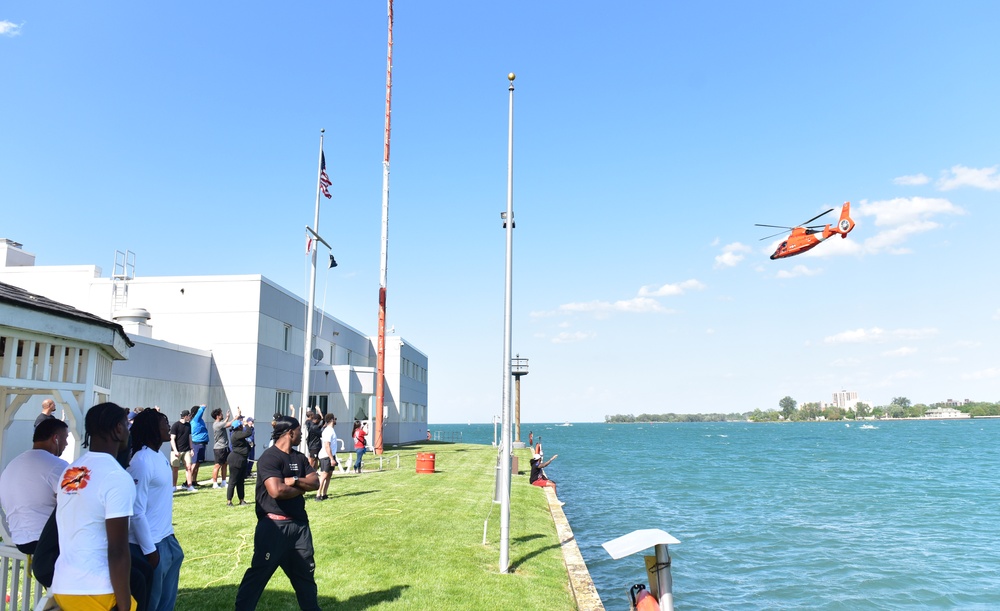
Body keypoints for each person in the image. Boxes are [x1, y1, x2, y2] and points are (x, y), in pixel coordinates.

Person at [52, 402, 137, 611]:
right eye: (126, 425)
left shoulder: (70, 471)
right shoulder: (116, 477)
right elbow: (117, 550)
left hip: (64, 586)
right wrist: (125, 607)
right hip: (96, 590)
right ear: (118, 428)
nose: (128, 431)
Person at [234, 416, 320, 611]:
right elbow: (277, 491)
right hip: (274, 529)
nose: (301, 434)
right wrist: (302, 488)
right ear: (290, 433)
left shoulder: (299, 457)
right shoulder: (269, 458)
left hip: (299, 528)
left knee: (306, 576)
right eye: (299, 431)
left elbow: (315, 482)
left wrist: (295, 481)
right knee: (258, 576)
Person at [128, 409, 185, 611]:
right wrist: (150, 551)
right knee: (150, 604)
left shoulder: (158, 456)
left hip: (167, 540)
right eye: (164, 422)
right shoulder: (141, 462)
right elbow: (136, 511)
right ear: (153, 427)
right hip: (149, 546)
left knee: (165, 604)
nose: (168, 426)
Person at [0, 418, 69, 554]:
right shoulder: (56, 465)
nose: (66, 443)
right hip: (47, 542)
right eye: (65, 438)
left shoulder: (12, 465)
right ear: (55, 438)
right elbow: (75, 500)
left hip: (20, 540)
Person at [226, 414, 253, 506]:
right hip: (236, 459)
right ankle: (229, 501)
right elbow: (249, 433)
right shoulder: (236, 434)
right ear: (239, 427)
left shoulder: (238, 435)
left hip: (241, 459)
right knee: (233, 480)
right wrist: (247, 424)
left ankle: (241, 500)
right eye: (241, 425)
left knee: (241, 481)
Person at [169, 409, 195, 491]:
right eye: (189, 416)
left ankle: (189, 485)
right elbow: (172, 439)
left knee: (189, 467)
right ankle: (174, 486)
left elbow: (189, 437)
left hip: (186, 450)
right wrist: (175, 450)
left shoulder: (188, 425)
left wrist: (191, 449)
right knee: (175, 469)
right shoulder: (175, 425)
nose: (190, 417)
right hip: (176, 451)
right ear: (185, 416)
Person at [315, 414, 338, 501]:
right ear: (332, 420)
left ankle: (324, 494)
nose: (335, 421)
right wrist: (331, 458)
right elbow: (327, 445)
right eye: (335, 419)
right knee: (324, 475)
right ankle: (318, 494)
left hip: (331, 455)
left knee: (329, 474)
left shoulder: (331, 430)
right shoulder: (328, 431)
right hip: (326, 456)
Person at [211, 407, 233, 488]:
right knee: (217, 465)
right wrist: (237, 417)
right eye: (221, 414)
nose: (222, 414)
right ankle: (215, 483)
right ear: (217, 416)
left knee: (225, 464)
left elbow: (224, 423)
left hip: (224, 447)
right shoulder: (217, 424)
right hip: (219, 448)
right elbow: (228, 424)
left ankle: (223, 482)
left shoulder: (219, 423)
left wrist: (227, 417)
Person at [189, 405, 209, 486]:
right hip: (196, 444)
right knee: (194, 463)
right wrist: (202, 407)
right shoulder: (196, 419)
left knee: (198, 463)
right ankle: (188, 481)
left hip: (202, 443)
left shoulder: (199, 420)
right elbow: (200, 412)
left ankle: (194, 481)